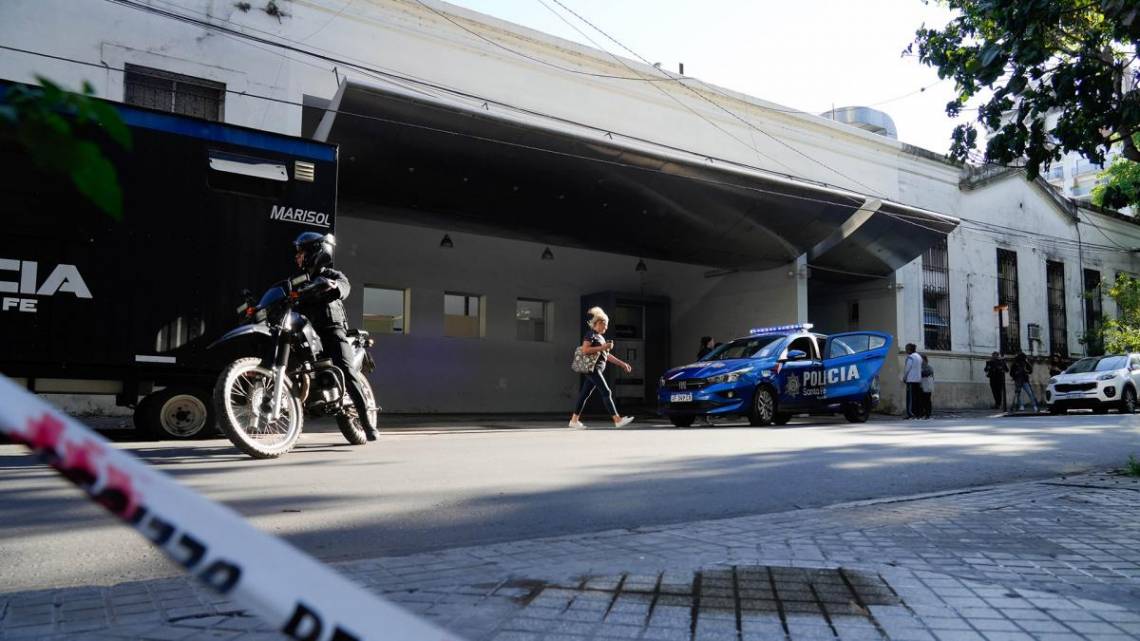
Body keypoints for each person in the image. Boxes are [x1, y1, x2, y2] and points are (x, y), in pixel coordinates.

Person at [292, 232, 379, 440]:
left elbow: (344, 287)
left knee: (347, 371)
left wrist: (335, 287)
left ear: (315, 252)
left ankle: (367, 423)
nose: (297, 257)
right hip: (307, 336)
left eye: (301, 252)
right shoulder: (299, 282)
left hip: (332, 330)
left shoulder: (332, 275)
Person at [569, 307, 635, 429]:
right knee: (607, 392)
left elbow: (606, 355)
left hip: (595, 369)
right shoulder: (591, 334)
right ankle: (617, 419)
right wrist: (603, 347)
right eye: (605, 325)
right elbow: (585, 350)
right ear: (598, 323)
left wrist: (622, 364)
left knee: (584, 394)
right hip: (593, 369)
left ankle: (574, 420)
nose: (606, 328)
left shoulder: (600, 337)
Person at [901, 343, 922, 418]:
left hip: (911, 380)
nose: (905, 350)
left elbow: (907, 368)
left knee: (910, 398)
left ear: (910, 349)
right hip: (918, 380)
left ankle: (910, 413)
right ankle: (917, 413)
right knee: (916, 397)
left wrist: (904, 377)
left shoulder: (910, 357)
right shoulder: (919, 356)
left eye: (906, 348)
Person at [919, 354, 934, 419]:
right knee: (923, 400)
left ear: (924, 360)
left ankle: (927, 413)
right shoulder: (920, 367)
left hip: (926, 385)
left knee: (926, 400)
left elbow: (929, 374)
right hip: (924, 385)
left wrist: (920, 372)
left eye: (921, 359)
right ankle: (924, 413)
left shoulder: (928, 367)